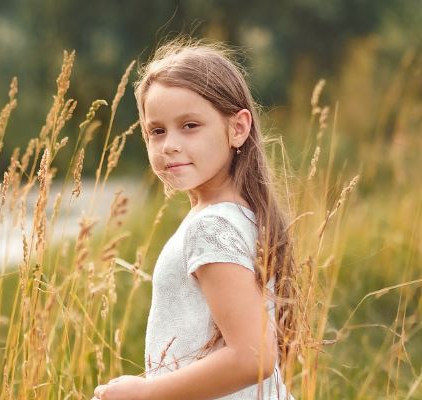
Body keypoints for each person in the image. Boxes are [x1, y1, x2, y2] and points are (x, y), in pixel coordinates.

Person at [92, 37, 297, 400]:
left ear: (238, 128)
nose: (169, 144)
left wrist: (145, 394)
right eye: (157, 130)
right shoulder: (238, 216)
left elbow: (255, 357)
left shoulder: (211, 227)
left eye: (189, 126)